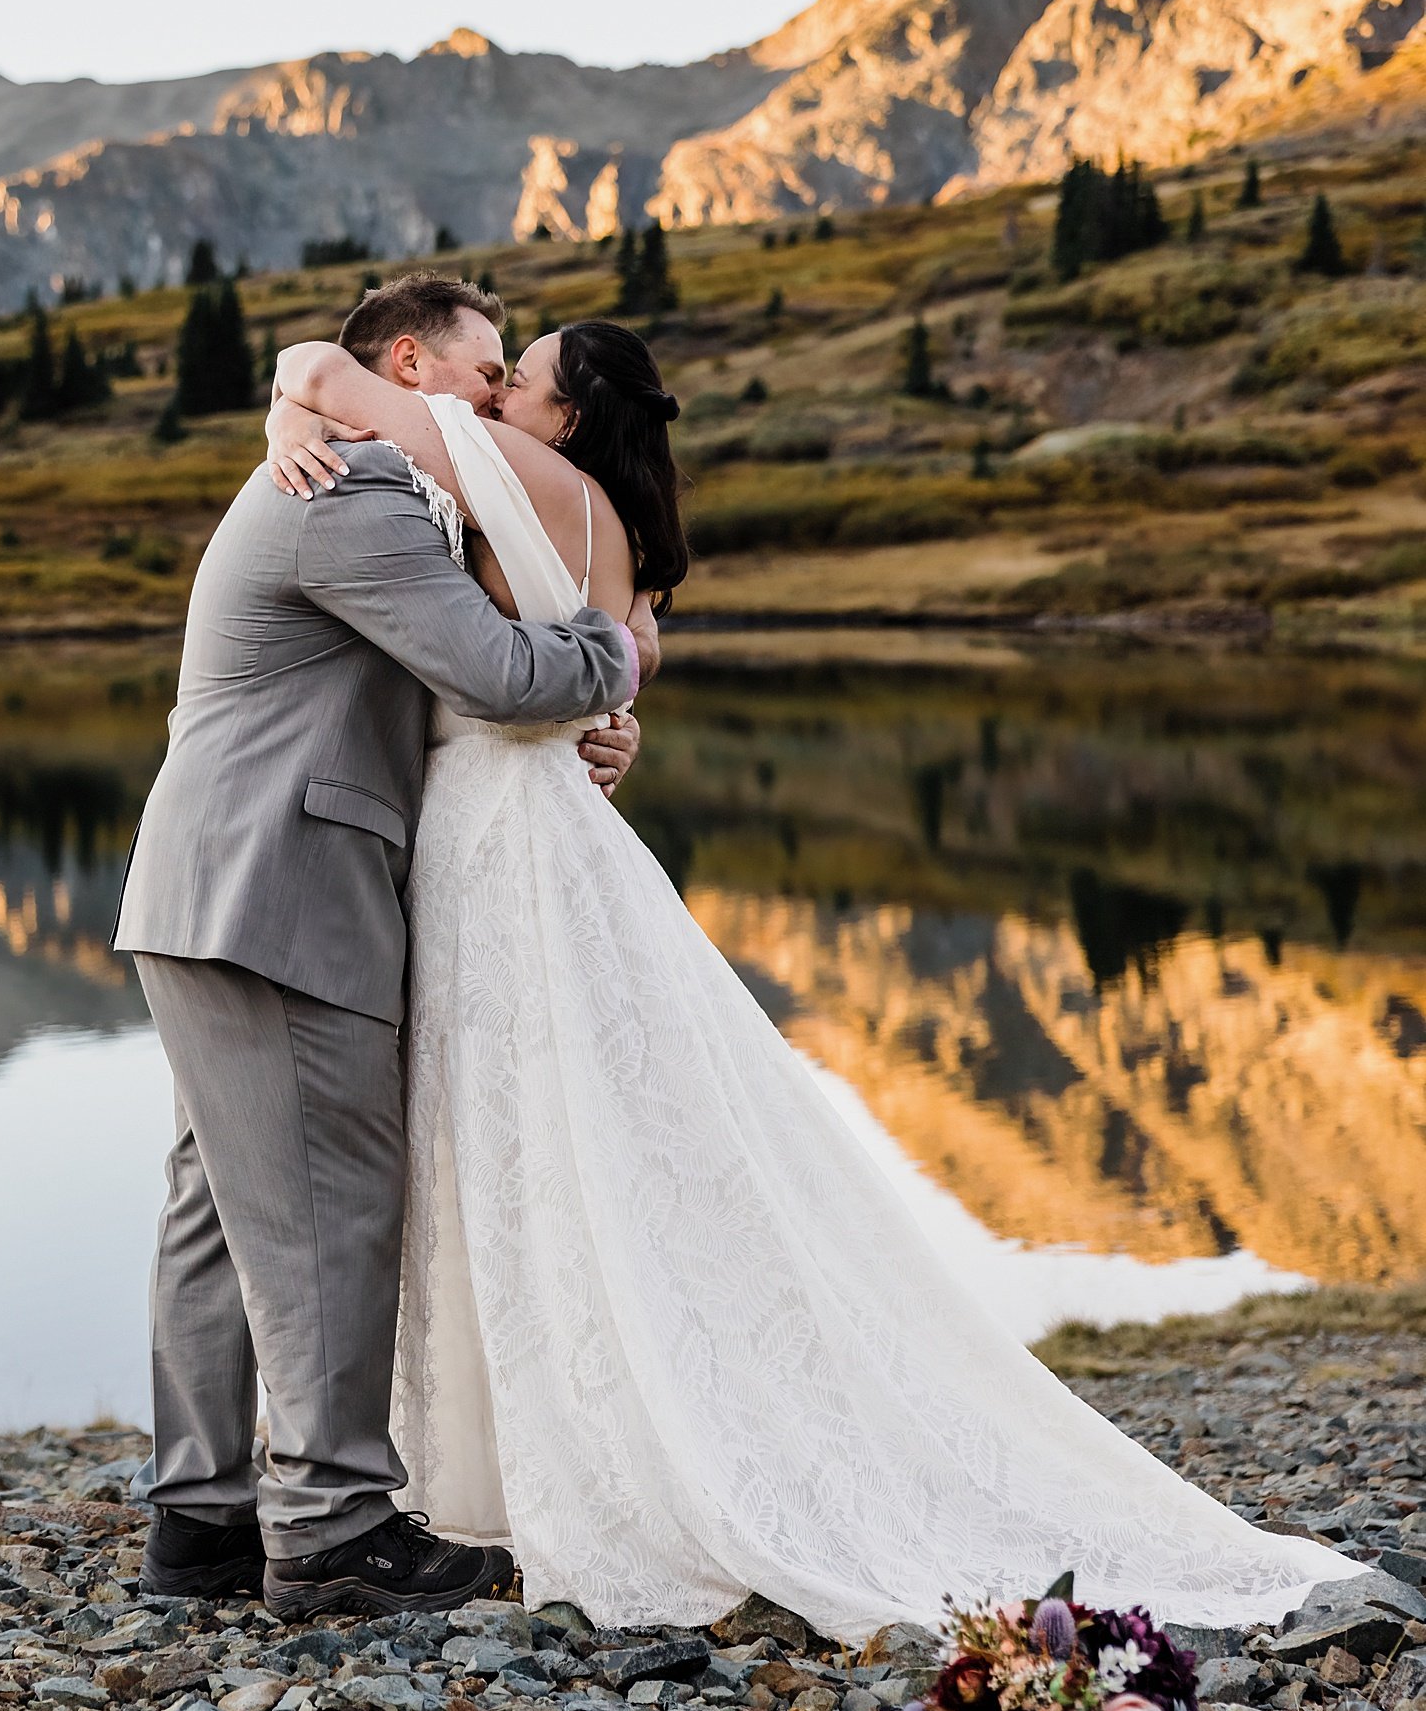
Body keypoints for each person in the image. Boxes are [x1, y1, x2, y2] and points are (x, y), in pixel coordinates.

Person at [267, 314, 1365, 1634]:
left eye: (524, 377)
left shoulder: (503, 464)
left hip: (489, 839)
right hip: (551, 824)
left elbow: (322, 374)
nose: (497, 391)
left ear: (563, 416)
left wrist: (291, 417)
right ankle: (565, 1430)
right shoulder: (610, 514)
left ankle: (542, 1461)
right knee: (573, 1133)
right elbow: (620, 661)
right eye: (495, 372)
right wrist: (607, 717)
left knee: (505, 1134)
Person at [113, 272, 649, 1619]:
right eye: (482, 375)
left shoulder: (349, 472)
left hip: (215, 890)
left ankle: (202, 1520)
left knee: (218, 1211)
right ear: (408, 363)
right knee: (326, 1201)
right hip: (285, 892)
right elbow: (500, 672)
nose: (495, 403)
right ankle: (334, 1523)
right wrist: (619, 652)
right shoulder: (355, 493)